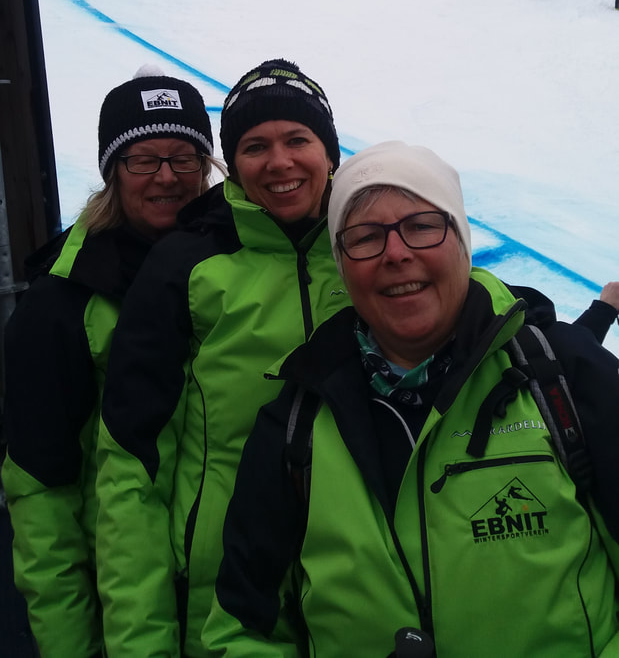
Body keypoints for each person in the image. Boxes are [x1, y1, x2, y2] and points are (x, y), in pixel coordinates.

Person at [205, 141, 619, 658]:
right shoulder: (298, 418)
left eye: (422, 226)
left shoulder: (562, 373)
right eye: (365, 237)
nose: (396, 253)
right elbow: (242, 626)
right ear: (342, 265)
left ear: (462, 241)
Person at [95, 59, 350, 658]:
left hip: (354, 585)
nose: (279, 162)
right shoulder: (184, 266)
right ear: (231, 164)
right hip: (221, 601)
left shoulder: (367, 247)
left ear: (330, 153)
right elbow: (131, 468)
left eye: (298, 139)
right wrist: (142, 643)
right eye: (255, 146)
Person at [2, 67, 218, 658]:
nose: (167, 176)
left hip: (234, 602)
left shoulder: (240, 270)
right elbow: (41, 494)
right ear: (112, 172)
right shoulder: (61, 304)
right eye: (143, 159)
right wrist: (71, 645)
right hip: (126, 606)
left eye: (184, 157)